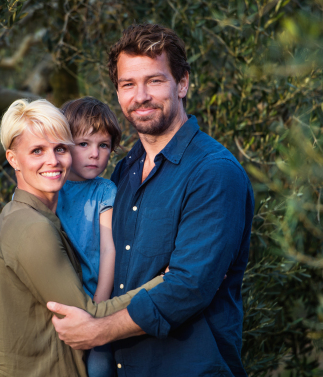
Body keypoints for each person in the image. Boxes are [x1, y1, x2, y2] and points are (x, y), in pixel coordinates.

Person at [47, 24, 255, 377]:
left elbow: (188, 287)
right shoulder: (122, 173)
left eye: (154, 81)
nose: (140, 95)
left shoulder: (214, 173)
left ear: (183, 83)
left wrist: (97, 330)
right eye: (128, 84)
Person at [0, 98, 164, 377]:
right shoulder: (36, 218)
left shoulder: (62, 197)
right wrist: (167, 282)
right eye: (37, 151)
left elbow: (108, 249)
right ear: (13, 159)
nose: (52, 160)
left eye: (59, 149)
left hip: (87, 304)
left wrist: (99, 297)